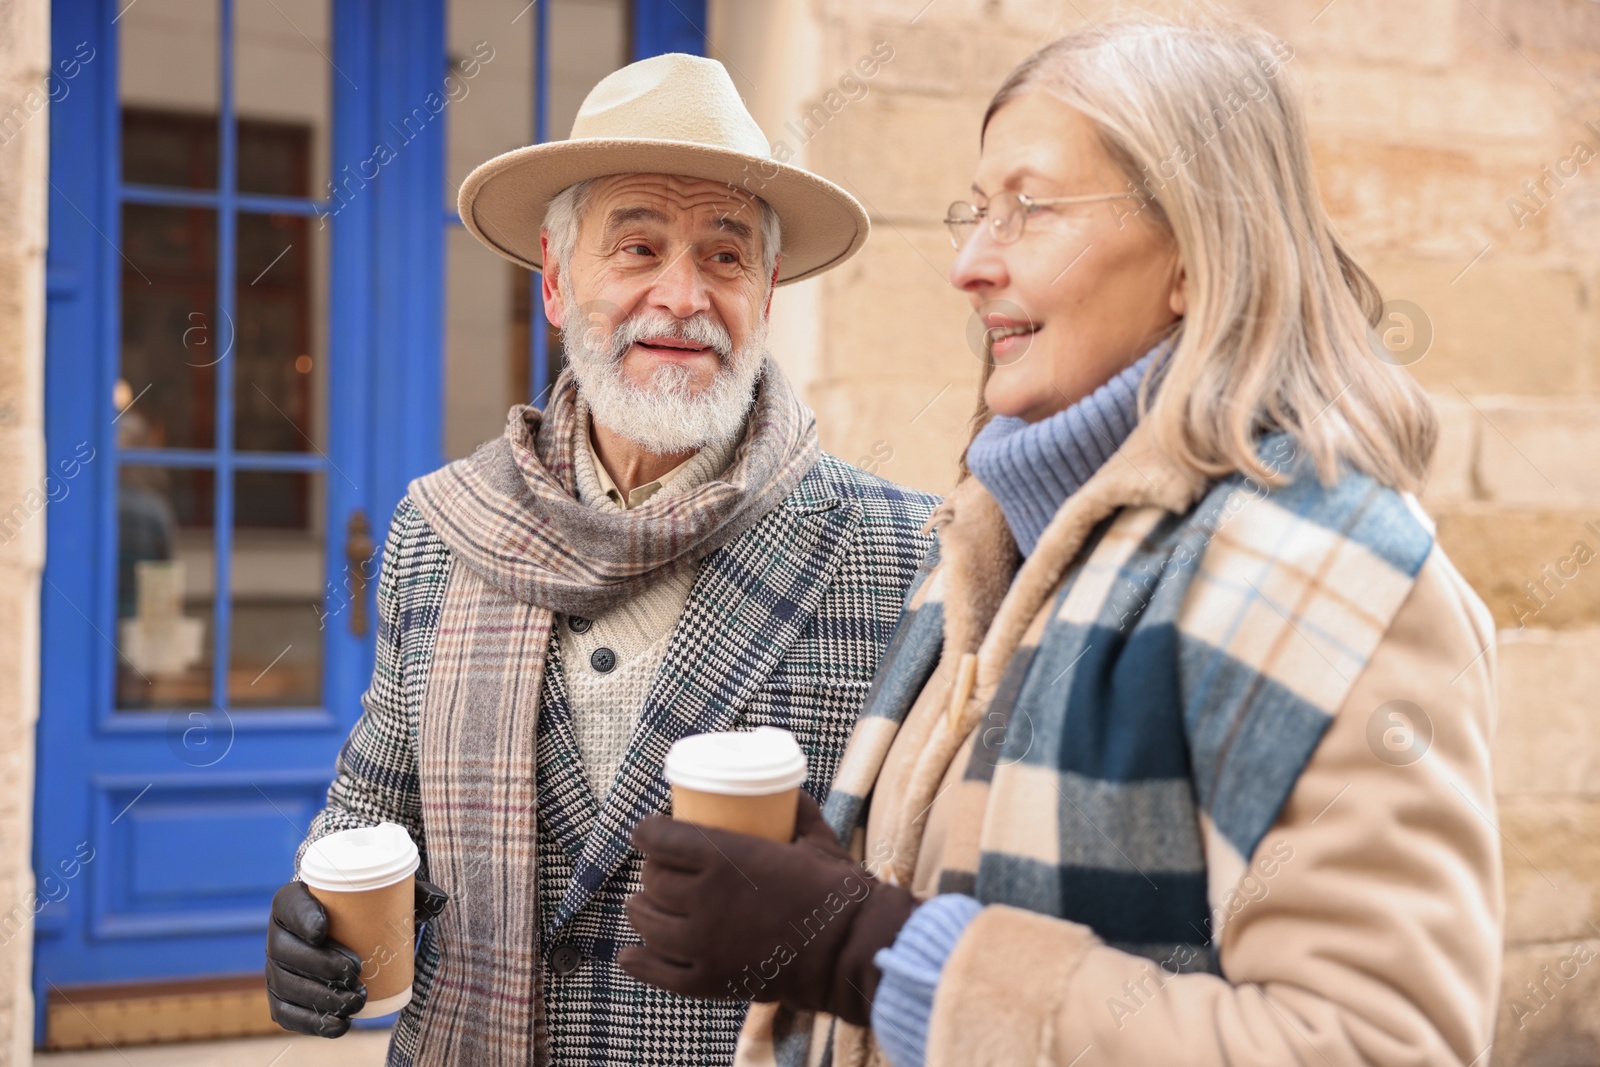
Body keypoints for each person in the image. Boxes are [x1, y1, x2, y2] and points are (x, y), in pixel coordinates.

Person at [623, 14, 1502, 1067]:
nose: (968, 266)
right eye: (974, 211)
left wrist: (872, 949)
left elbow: (1370, 1044)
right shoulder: (985, 543)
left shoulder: (1326, 573)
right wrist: (841, 902)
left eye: (1030, 212)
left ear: (1194, 250)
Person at [263, 53, 937, 1065]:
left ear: (766, 290)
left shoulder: (900, 550)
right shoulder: (439, 528)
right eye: (637, 247)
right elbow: (375, 802)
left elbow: (931, 883)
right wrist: (313, 909)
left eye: (724, 255)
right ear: (555, 283)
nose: (681, 295)